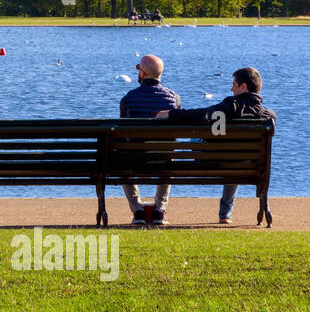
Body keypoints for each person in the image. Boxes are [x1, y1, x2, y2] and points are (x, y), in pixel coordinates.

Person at [156, 66, 277, 224]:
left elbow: (203, 115)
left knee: (201, 142)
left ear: (244, 87)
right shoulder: (269, 116)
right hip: (248, 164)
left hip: (214, 160)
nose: (231, 88)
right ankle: (225, 213)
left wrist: (171, 114)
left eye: (234, 84)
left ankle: (226, 212)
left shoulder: (230, 105)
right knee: (236, 157)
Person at [119, 54, 181, 225]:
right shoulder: (174, 98)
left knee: (121, 158)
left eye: (139, 70)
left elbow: (122, 132)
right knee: (169, 155)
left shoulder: (129, 98)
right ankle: (160, 211)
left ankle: (137, 211)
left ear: (143, 74)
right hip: (163, 160)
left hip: (135, 160)